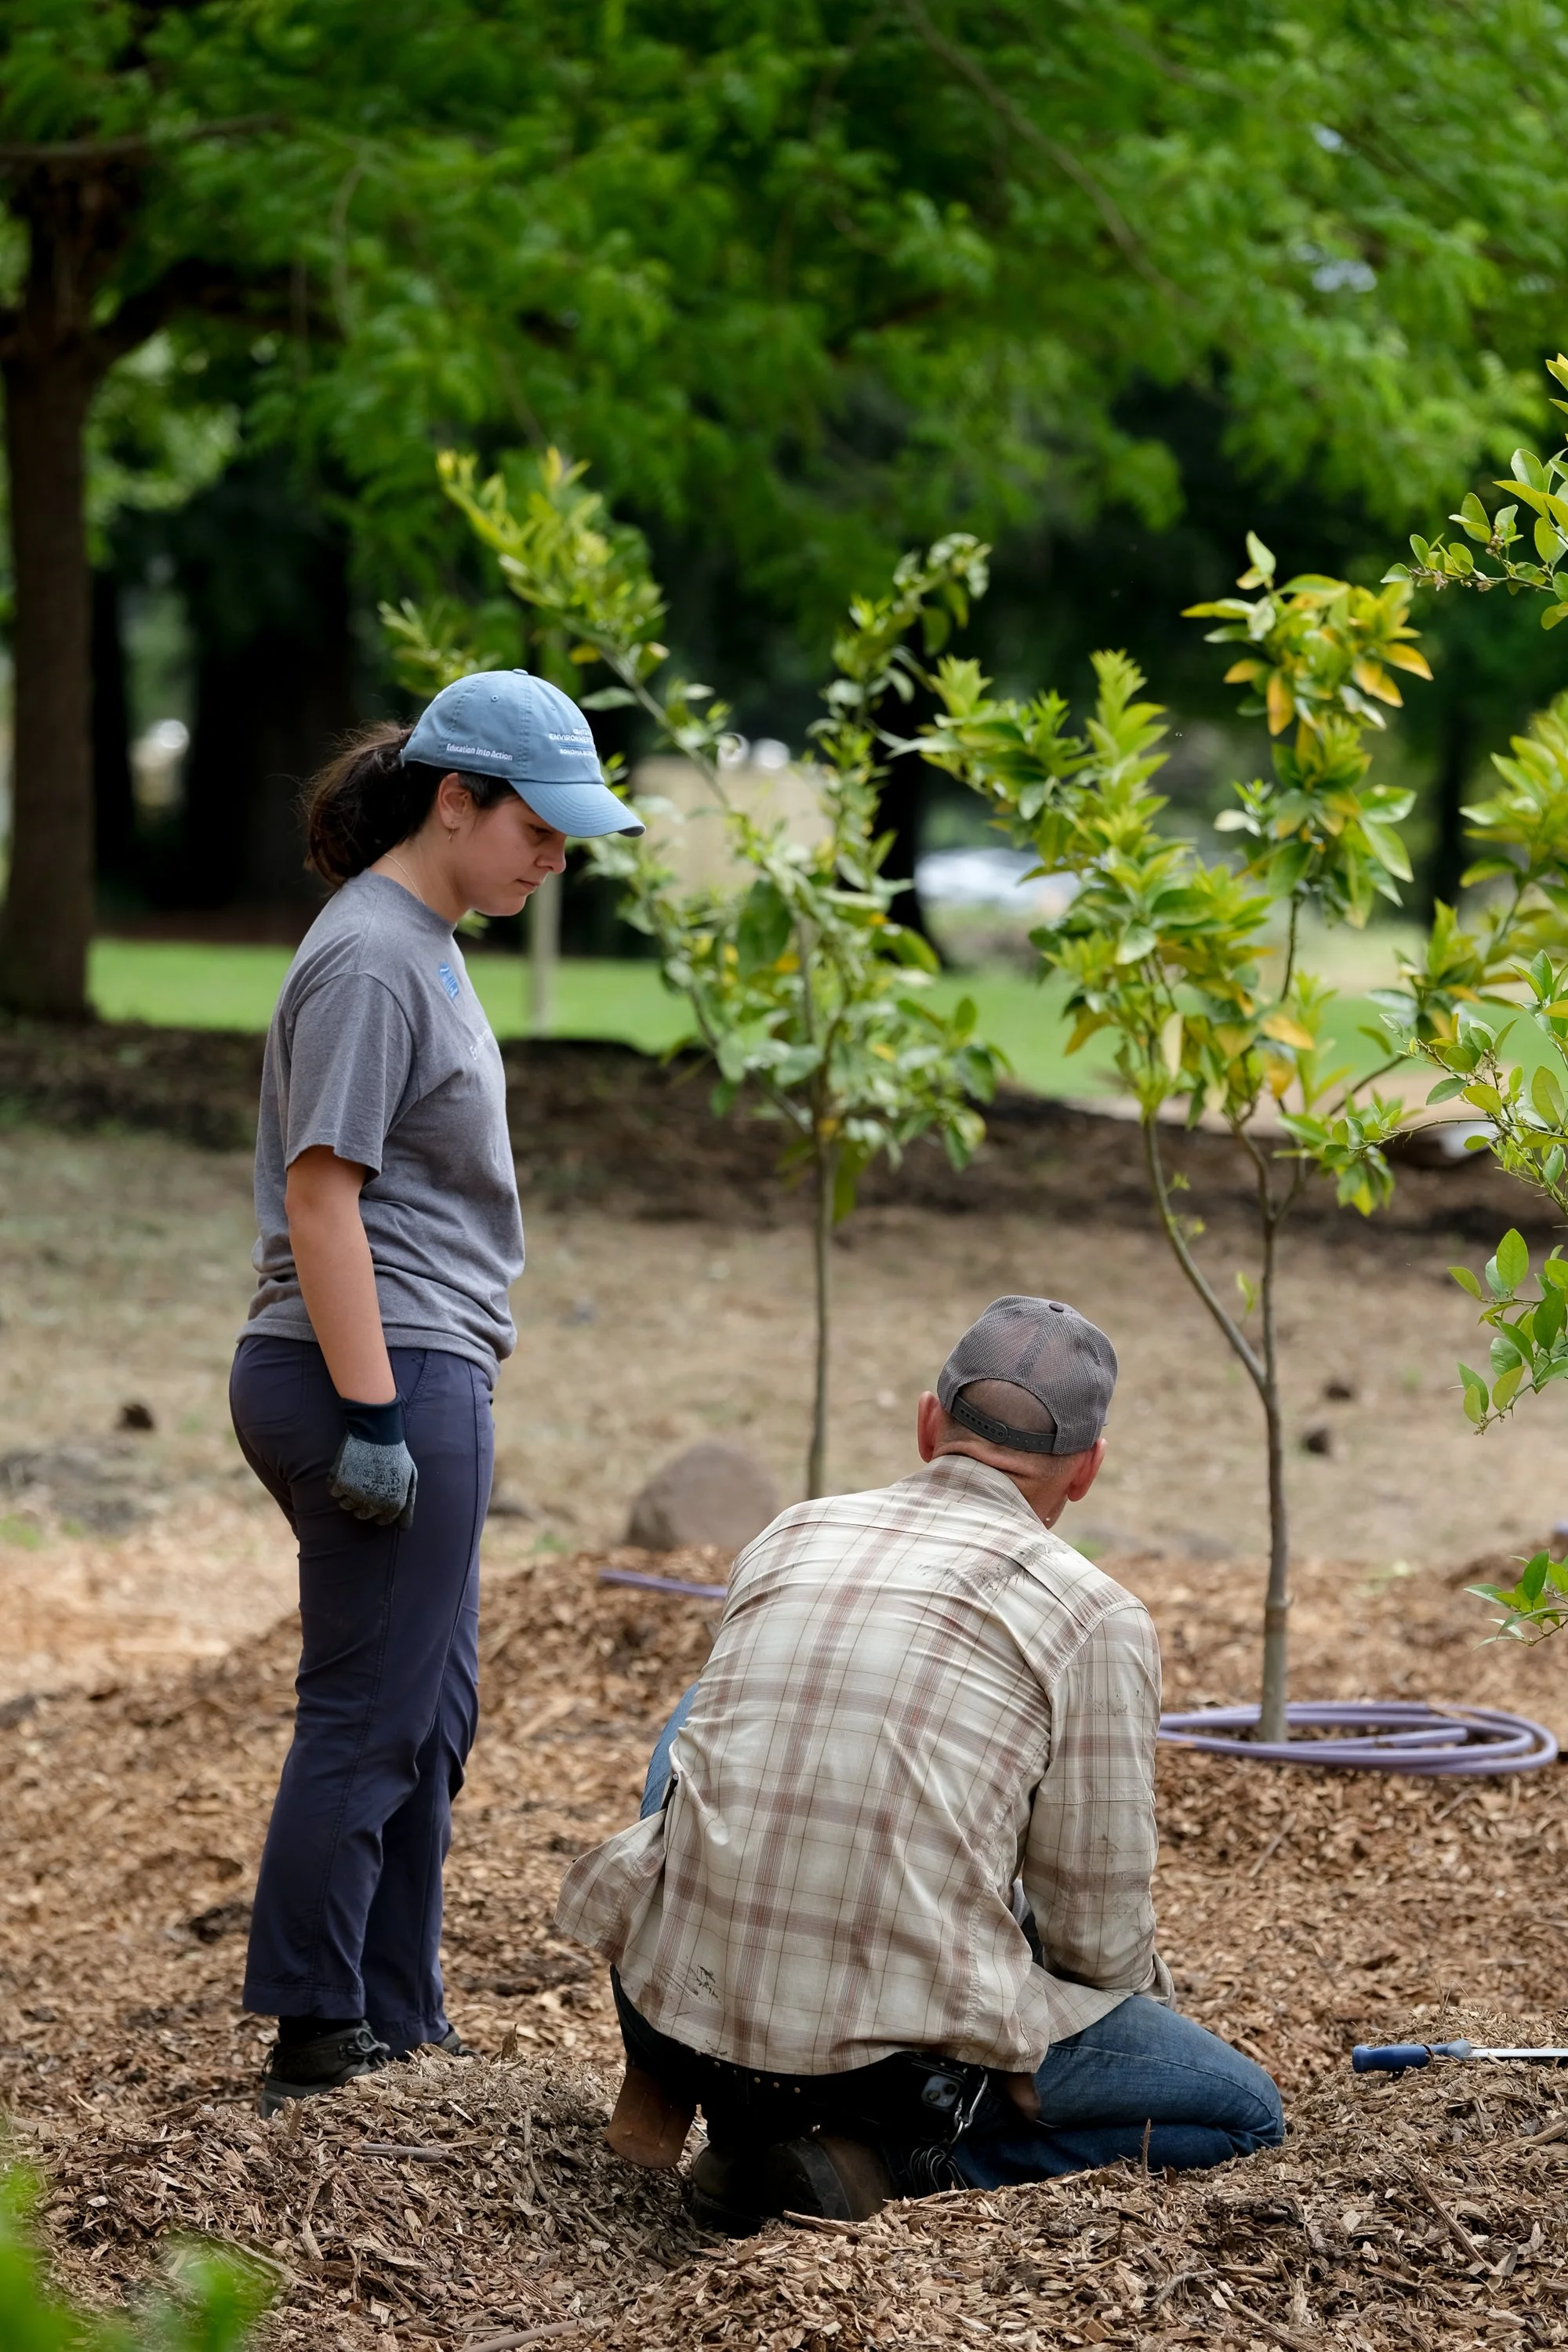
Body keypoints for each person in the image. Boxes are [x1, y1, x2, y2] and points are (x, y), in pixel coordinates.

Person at [558, 1294, 1284, 2230]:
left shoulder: (790, 1533)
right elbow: (1093, 1931)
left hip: (685, 2012)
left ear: (927, 1423)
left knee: (705, 1711)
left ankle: (702, 2107)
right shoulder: (1092, 1614)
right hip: (894, 2072)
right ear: (1086, 1472)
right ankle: (894, 2163)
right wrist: (1070, 2046)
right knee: (1242, 2116)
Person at [232, 669, 641, 2118]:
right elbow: (321, 1195)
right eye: (537, 827)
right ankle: (316, 2027)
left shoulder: (431, 938)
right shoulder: (371, 958)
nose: (555, 858)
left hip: (417, 1359)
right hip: (375, 1369)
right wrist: (378, 1414)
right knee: (369, 1714)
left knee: (430, 1711)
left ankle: (399, 2019)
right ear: (453, 797)